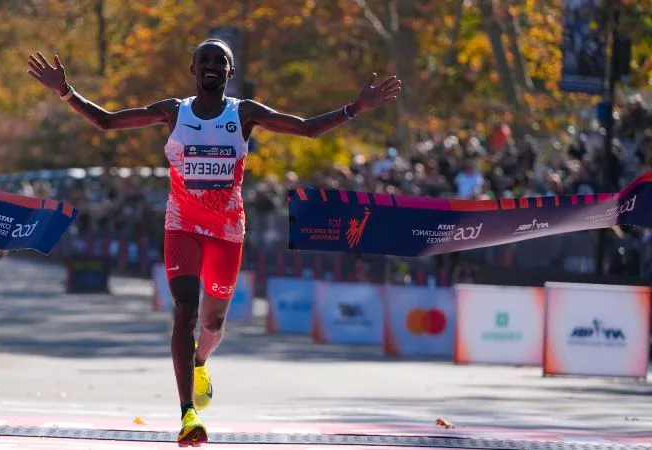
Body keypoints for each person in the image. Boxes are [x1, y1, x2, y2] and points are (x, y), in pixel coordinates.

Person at [27, 39, 402, 446]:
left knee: (213, 323)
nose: (211, 65)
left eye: (220, 61)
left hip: (227, 230)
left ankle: (201, 360)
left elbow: (307, 129)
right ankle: (187, 414)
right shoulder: (174, 111)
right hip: (182, 224)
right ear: (192, 69)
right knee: (185, 311)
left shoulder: (244, 114)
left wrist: (355, 108)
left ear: (230, 72)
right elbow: (108, 122)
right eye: (204, 60)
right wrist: (66, 92)